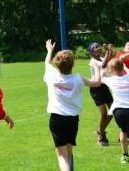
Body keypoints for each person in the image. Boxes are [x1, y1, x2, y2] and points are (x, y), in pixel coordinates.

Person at [44, 40, 101, 171]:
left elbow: (47, 63)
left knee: (62, 157)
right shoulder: (78, 78)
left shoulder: (51, 74)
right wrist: (96, 67)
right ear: (73, 65)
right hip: (72, 120)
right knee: (69, 153)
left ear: (57, 64)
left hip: (57, 119)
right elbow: (97, 83)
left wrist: (49, 51)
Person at [100, 58, 129, 168]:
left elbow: (101, 76)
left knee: (123, 131)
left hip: (118, 111)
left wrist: (104, 70)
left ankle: (124, 155)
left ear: (112, 69)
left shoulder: (110, 80)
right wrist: (124, 65)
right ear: (122, 68)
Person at [88, 42, 114, 146]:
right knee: (104, 114)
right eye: (95, 47)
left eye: (99, 46)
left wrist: (110, 51)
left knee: (113, 111)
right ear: (91, 51)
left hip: (104, 87)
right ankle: (102, 135)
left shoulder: (103, 58)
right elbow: (103, 66)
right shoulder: (93, 61)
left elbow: (108, 63)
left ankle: (100, 131)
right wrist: (108, 53)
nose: (98, 48)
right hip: (96, 88)